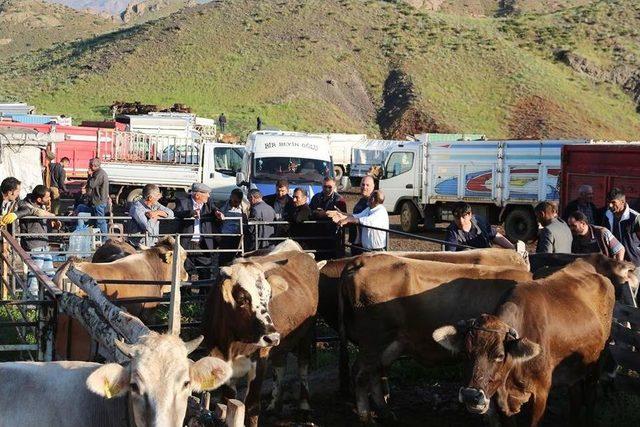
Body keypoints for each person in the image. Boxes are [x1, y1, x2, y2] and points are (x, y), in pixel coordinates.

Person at [174, 183, 223, 281]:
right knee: (185, 272)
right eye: (206, 193)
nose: (208, 196)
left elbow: (214, 209)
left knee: (205, 271)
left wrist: (218, 213)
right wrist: (191, 213)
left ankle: (203, 295)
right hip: (187, 243)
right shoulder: (183, 201)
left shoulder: (208, 202)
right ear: (197, 195)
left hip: (202, 244)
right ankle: (185, 294)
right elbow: (177, 213)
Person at [18, 185, 58, 299]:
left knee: (49, 273)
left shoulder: (41, 205)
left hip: (43, 242)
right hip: (34, 243)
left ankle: (47, 299)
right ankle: (32, 301)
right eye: (47, 197)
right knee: (35, 274)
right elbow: (36, 213)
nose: (49, 199)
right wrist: (53, 216)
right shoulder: (24, 204)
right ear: (39, 199)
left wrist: (54, 223)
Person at [445, 202, 514, 252]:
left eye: (463, 217)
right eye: (457, 218)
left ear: (470, 215)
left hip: (486, 257)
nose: (461, 221)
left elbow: (494, 235)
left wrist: (513, 248)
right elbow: (450, 255)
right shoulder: (452, 232)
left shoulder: (480, 221)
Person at [603, 188, 640, 280]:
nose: (610, 205)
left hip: (633, 264)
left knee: (633, 292)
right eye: (608, 202)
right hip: (614, 262)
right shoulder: (607, 215)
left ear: (622, 202)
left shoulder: (635, 217)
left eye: (613, 202)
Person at [310, 177, 347, 257]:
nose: (327, 189)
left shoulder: (339, 200)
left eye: (329, 187)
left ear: (334, 187)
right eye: (325, 187)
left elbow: (343, 216)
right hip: (317, 235)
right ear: (322, 186)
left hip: (332, 236)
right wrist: (316, 213)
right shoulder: (316, 198)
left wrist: (325, 214)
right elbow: (310, 212)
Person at [75, 158, 110, 240]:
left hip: (99, 201)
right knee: (98, 219)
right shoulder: (98, 173)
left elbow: (91, 184)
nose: (89, 167)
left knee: (100, 220)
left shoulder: (99, 174)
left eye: (90, 165)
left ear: (93, 166)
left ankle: (104, 239)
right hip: (97, 201)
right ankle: (98, 237)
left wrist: (89, 175)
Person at [219, 188, 249, 266]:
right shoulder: (223, 206)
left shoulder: (244, 206)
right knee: (224, 256)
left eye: (239, 201)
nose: (237, 203)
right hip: (226, 235)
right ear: (231, 197)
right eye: (235, 201)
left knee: (235, 256)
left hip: (238, 236)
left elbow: (247, 220)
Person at [350, 175, 375, 255]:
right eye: (363, 184)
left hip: (365, 243)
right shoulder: (362, 200)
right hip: (356, 240)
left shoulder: (373, 204)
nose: (364, 187)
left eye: (367, 185)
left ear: (373, 187)